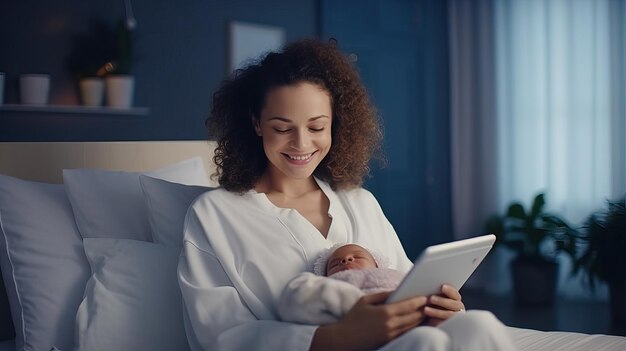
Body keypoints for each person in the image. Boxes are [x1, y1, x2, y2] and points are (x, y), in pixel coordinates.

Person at [177, 38, 517, 351]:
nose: (301, 144)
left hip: (401, 341)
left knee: (479, 325)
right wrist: (336, 337)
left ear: (335, 123)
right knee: (425, 344)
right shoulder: (215, 214)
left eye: (316, 127)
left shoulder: (359, 202)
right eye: (282, 128)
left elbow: (406, 280)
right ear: (255, 123)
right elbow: (219, 335)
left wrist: (443, 306)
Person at [278, 243, 405, 324]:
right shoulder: (329, 285)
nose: (345, 260)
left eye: (358, 257)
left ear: (377, 266)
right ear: (326, 276)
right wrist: (359, 304)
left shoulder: (393, 276)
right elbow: (296, 299)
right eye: (335, 263)